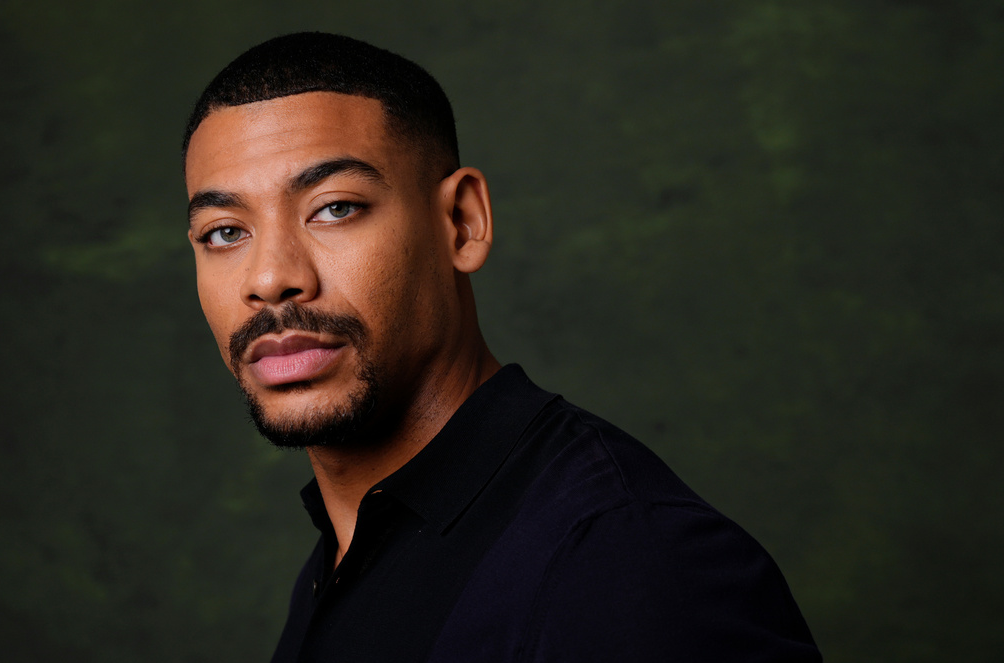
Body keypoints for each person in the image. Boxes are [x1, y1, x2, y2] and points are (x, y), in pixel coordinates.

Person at [182, 32, 822, 662]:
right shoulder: (345, 556)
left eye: (335, 208)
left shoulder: (626, 559)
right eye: (224, 231)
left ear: (462, 222)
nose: (270, 278)